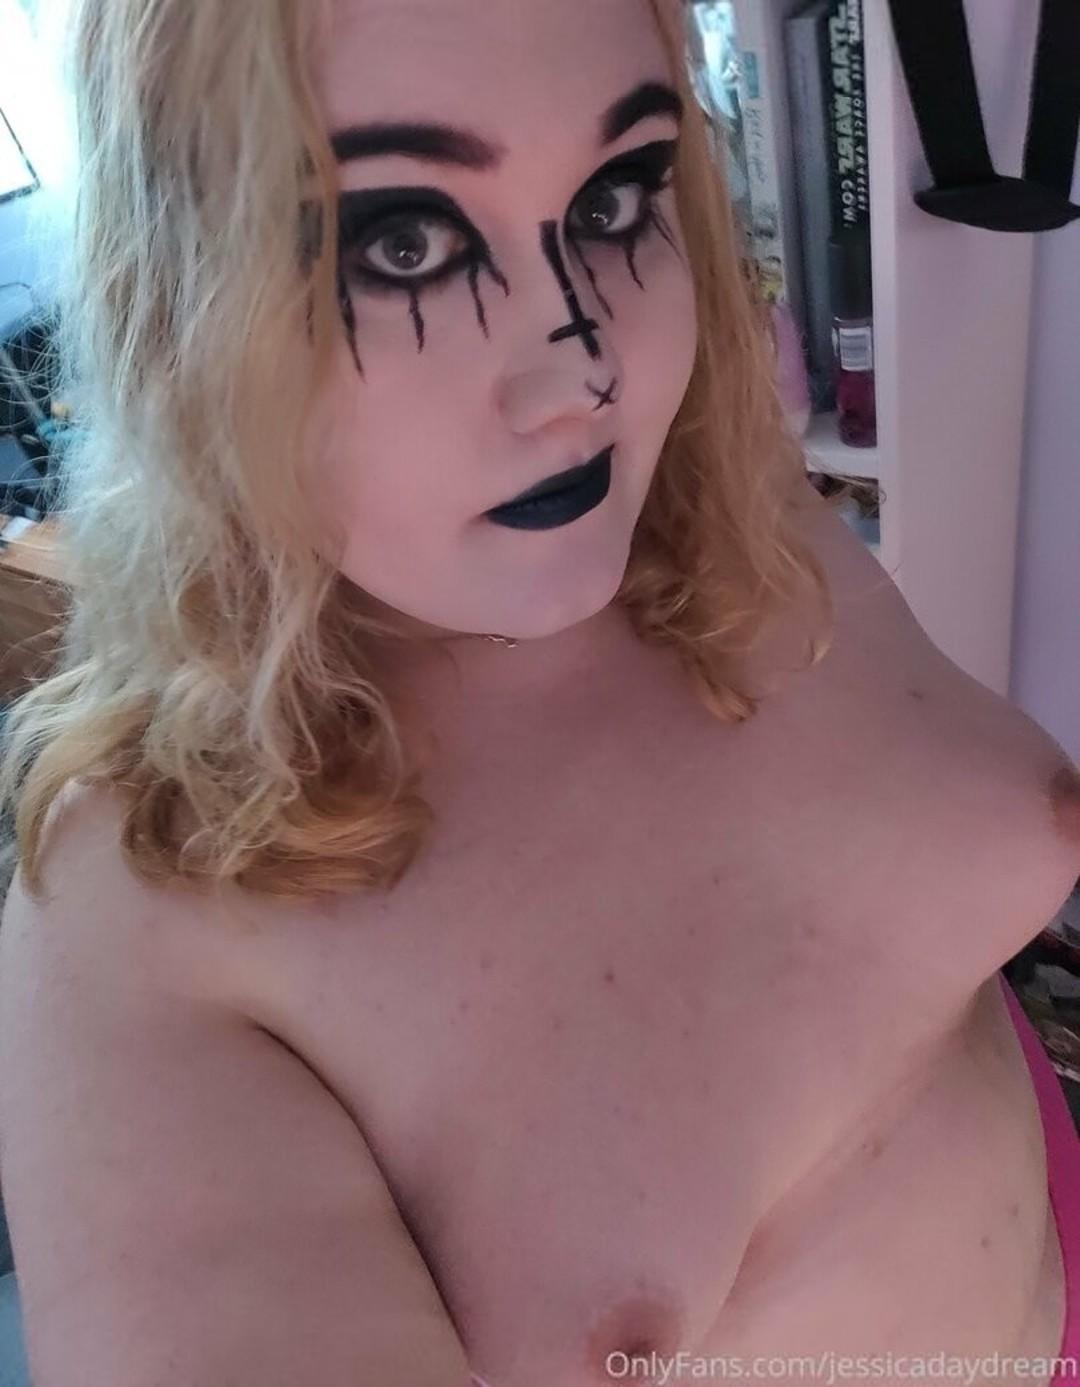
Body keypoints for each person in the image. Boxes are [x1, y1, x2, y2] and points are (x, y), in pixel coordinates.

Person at [0, 1, 1077, 1384]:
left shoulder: (718, 501)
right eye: (406, 244)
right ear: (183, 305)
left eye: (616, 198)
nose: (586, 374)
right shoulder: (139, 909)